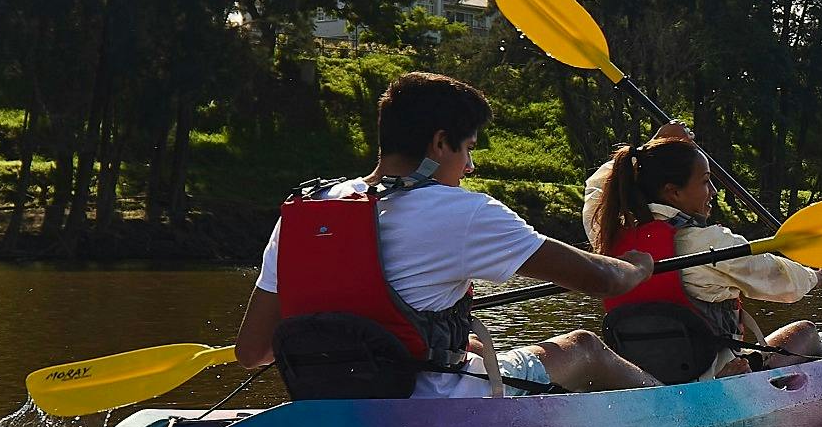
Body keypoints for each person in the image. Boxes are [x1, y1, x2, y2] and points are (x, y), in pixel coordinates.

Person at [235, 72, 646, 400]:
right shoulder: (466, 212)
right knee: (585, 347)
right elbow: (601, 280)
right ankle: (687, 419)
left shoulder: (308, 208)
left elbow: (252, 352)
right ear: (439, 143)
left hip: (333, 406)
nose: (468, 167)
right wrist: (638, 266)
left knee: (477, 348)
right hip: (433, 408)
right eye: (467, 148)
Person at [577, 128, 822, 386]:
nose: (713, 191)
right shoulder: (709, 243)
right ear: (673, 192)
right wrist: (817, 276)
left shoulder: (609, 236)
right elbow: (779, 280)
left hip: (641, 381)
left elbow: (596, 193)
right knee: (807, 333)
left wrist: (649, 147)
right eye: (705, 181)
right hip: (715, 379)